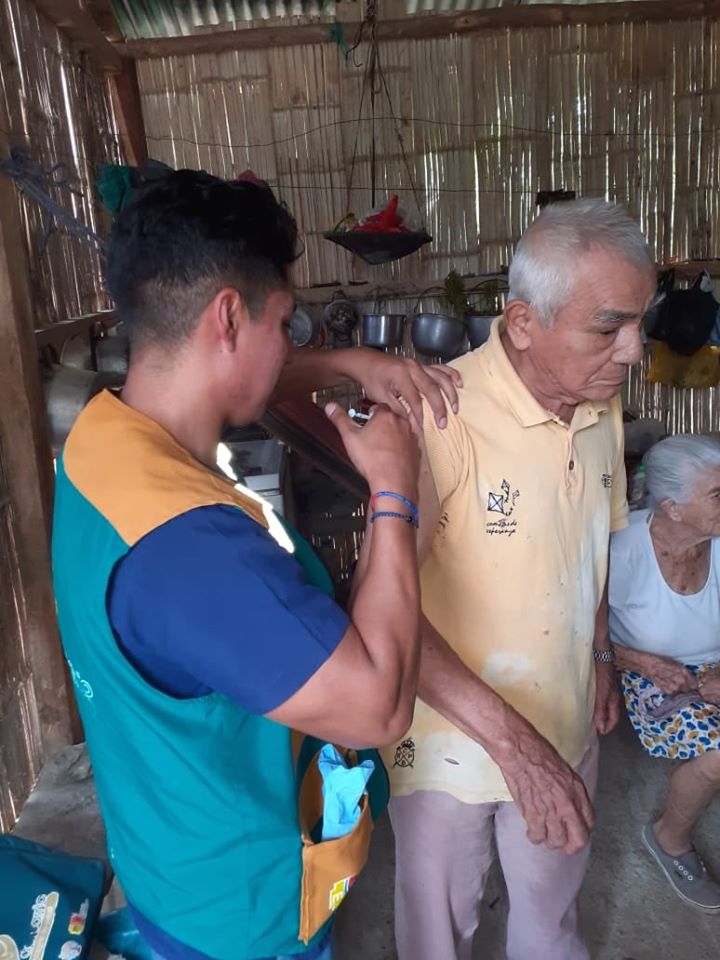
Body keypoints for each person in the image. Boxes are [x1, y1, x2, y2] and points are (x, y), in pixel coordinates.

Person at [51, 169, 460, 960]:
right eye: (286, 323)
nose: (290, 346)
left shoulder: (103, 438)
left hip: (165, 854)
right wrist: (392, 489)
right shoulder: (192, 553)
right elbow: (378, 710)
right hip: (244, 915)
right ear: (228, 316)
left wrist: (349, 363)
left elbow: (228, 380)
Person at [382, 197, 657, 960]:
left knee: (551, 922)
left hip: (564, 721)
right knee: (438, 935)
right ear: (524, 322)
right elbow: (386, 616)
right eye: (609, 326)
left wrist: (599, 657)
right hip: (447, 748)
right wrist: (518, 750)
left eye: (641, 323)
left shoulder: (598, 406)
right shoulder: (440, 416)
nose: (634, 350)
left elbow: (589, 545)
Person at [609, 433, 720, 911]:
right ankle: (669, 839)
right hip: (651, 671)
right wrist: (644, 663)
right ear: (673, 508)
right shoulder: (624, 548)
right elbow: (575, 633)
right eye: (717, 495)